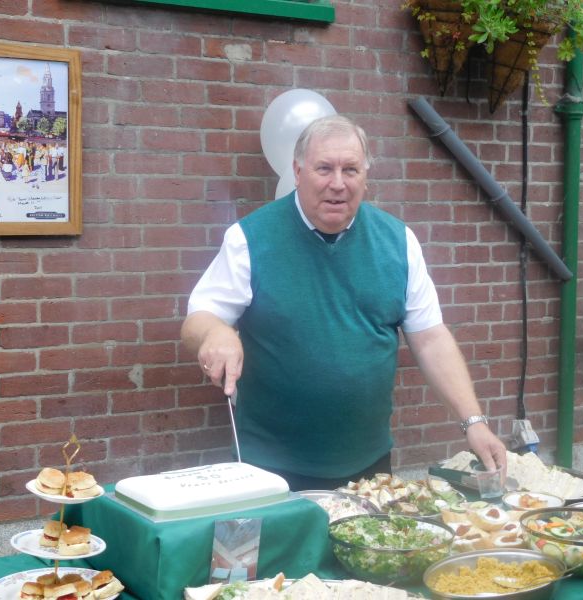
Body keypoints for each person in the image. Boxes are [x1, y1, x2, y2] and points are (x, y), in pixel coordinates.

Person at [181, 115, 506, 490]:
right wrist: (217, 333)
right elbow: (198, 319)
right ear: (298, 171)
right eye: (324, 169)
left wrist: (473, 422)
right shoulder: (249, 239)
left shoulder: (398, 242)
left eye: (350, 169)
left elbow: (431, 339)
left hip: (368, 465)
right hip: (269, 469)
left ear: (366, 176)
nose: (338, 183)